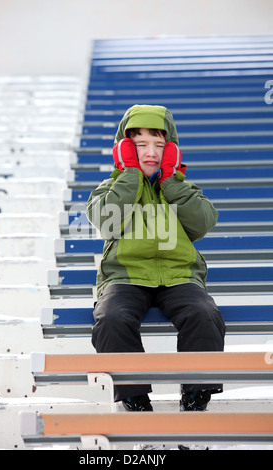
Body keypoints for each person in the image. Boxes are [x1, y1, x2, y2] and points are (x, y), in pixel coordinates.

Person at [86, 104, 226, 412]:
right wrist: (131, 175)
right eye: (140, 146)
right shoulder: (109, 189)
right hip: (125, 277)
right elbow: (108, 223)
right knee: (111, 319)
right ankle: (134, 397)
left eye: (160, 146)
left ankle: (195, 394)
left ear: (172, 149)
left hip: (179, 276)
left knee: (204, 313)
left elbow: (202, 223)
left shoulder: (180, 188)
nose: (151, 152)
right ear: (124, 149)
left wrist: (171, 181)